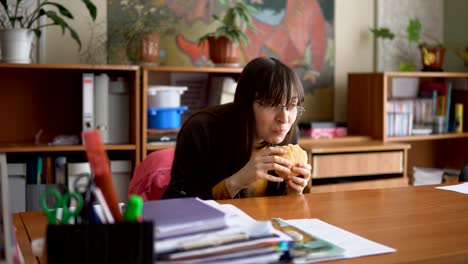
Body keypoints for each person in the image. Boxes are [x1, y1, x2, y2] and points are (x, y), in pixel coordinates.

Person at [164, 57, 311, 200]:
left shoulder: (288, 134)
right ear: (246, 104)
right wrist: (236, 182)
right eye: (272, 104)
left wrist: (292, 191)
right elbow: (176, 201)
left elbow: (278, 207)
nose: (284, 119)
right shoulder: (201, 129)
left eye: (291, 105)